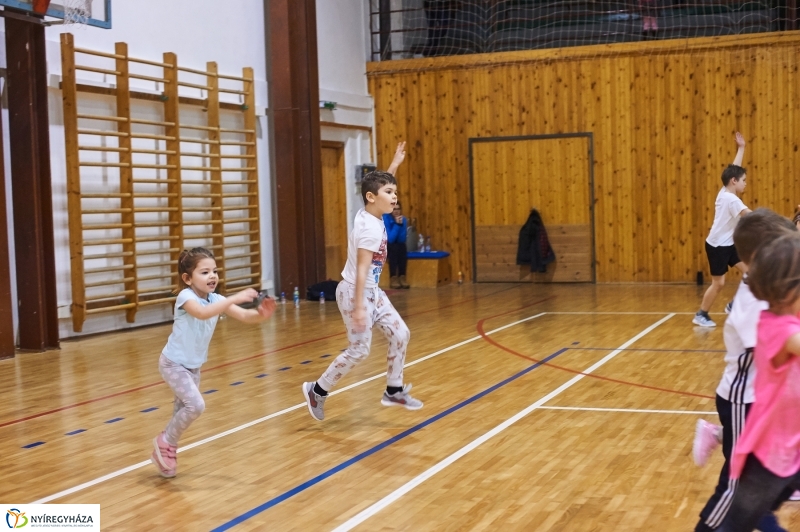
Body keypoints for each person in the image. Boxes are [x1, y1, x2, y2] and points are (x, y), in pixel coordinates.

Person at [692, 208, 795, 532]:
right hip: (743, 398)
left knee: (768, 481)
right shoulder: (755, 302)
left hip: (769, 404)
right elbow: (777, 346)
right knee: (737, 484)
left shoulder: (775, 293)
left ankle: (762, 516)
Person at [301, 171, 423, 421]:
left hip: (372, 291)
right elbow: (361, 271)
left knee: (401, 334)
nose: (394, 197)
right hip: (355, 292)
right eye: (389, 193)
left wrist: (394, 166)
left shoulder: (370, 212)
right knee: (359, 350)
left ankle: (393, 389)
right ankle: (317, 390)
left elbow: (378, 185)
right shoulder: (370, 231)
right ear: (371, 197)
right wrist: (358, 307)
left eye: (395, 192)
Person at [151, 247, 276, 478]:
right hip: (173, 364)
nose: (212, 276)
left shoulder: (217, 299)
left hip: (193, 367)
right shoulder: (186, 297)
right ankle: (164, 441)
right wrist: (235, 297)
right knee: (195, 406)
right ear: (187, 279)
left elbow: (245, 316)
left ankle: (166, 450)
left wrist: (261, 314)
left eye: (215, 271)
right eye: (205, 272)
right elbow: (201, 313)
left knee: (182, 410)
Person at [717, 232, 800, 531]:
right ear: (789, 291)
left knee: (761, 512)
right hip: (770, 451)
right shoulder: (776, 327)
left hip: (793, 444)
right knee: (739, 522)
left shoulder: (789, 315)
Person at [694, 132, 752, 327]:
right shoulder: (731, 200)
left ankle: (735, 304)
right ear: (735, 182)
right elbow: (752, 216)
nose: (745, 183)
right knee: (718, 284)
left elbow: (733, 171)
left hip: (728, 243)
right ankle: (701, 314)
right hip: (718, 246)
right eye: (744, 180)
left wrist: (741, 148)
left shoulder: (725, 190)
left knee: (751, 273)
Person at [384, 202, 409, 289]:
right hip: (386, 244)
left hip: (398, 244)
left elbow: (402, 239)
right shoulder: (385, 218)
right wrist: (397, 225)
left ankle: (402, 276)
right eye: (394, 209)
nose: (396, 211)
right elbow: (390, 239)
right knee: (393, 247)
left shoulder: (404, 220)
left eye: (398, 209)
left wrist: (400, 224)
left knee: (402, 247)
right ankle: (393, 277)